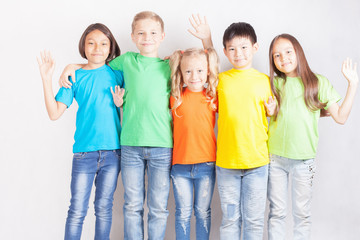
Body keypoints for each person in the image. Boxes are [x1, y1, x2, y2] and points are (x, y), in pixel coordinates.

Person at [58, 12, 212, 240]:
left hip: (162, 147)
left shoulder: (172, 64)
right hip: (130, 146)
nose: (146, 37)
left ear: (162, 36)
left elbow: (205, 63)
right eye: (140, 33)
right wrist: (72, 65)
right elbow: (97, 63)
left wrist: (206, 40)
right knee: (132, 206)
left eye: (152, 33)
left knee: (158, 208)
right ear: (132, 36)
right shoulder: (126, 60)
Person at [266, 33, 358, 240]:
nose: (283, 58)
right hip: (274, 159)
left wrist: (352, 85)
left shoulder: (318, 83)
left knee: (302, 214)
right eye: (277, 55)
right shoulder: (273, 85)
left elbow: (341, 117)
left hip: (303, 161)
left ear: (298, 51)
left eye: (288, 52)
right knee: (277, 213)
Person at [37, 23, 123, 240]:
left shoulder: (118, 73)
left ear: (111, 48)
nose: (97, 48)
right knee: (77, 210)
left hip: (113, 153)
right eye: (91, 43)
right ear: (83, 47)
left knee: (104, 209)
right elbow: (54, 113)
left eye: (104, 43)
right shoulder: (74, 76)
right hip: (84, 153)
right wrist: (47, 79)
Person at [215, 22, 273, 239]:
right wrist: (205, 38)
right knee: (230, 219)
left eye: (244, 47)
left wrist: (273, 111)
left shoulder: (266, 81)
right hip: (227, 164)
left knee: (254, 221)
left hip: (257, 164)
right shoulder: (220, 80)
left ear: (255, 48)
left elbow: (273, 114)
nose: (238, 53)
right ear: (225, 52)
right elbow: (205, 67)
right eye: (231, 49)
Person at [169, 47, 219, 240]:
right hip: (180, 165)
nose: (194, 76)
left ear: (207, 71)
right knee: (182, 213)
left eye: (199, 71)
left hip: (206, 164)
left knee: (202, 212)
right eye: (188, 71)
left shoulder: (212, 96)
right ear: (181, 73)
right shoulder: (175, 97)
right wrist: (172, 58)